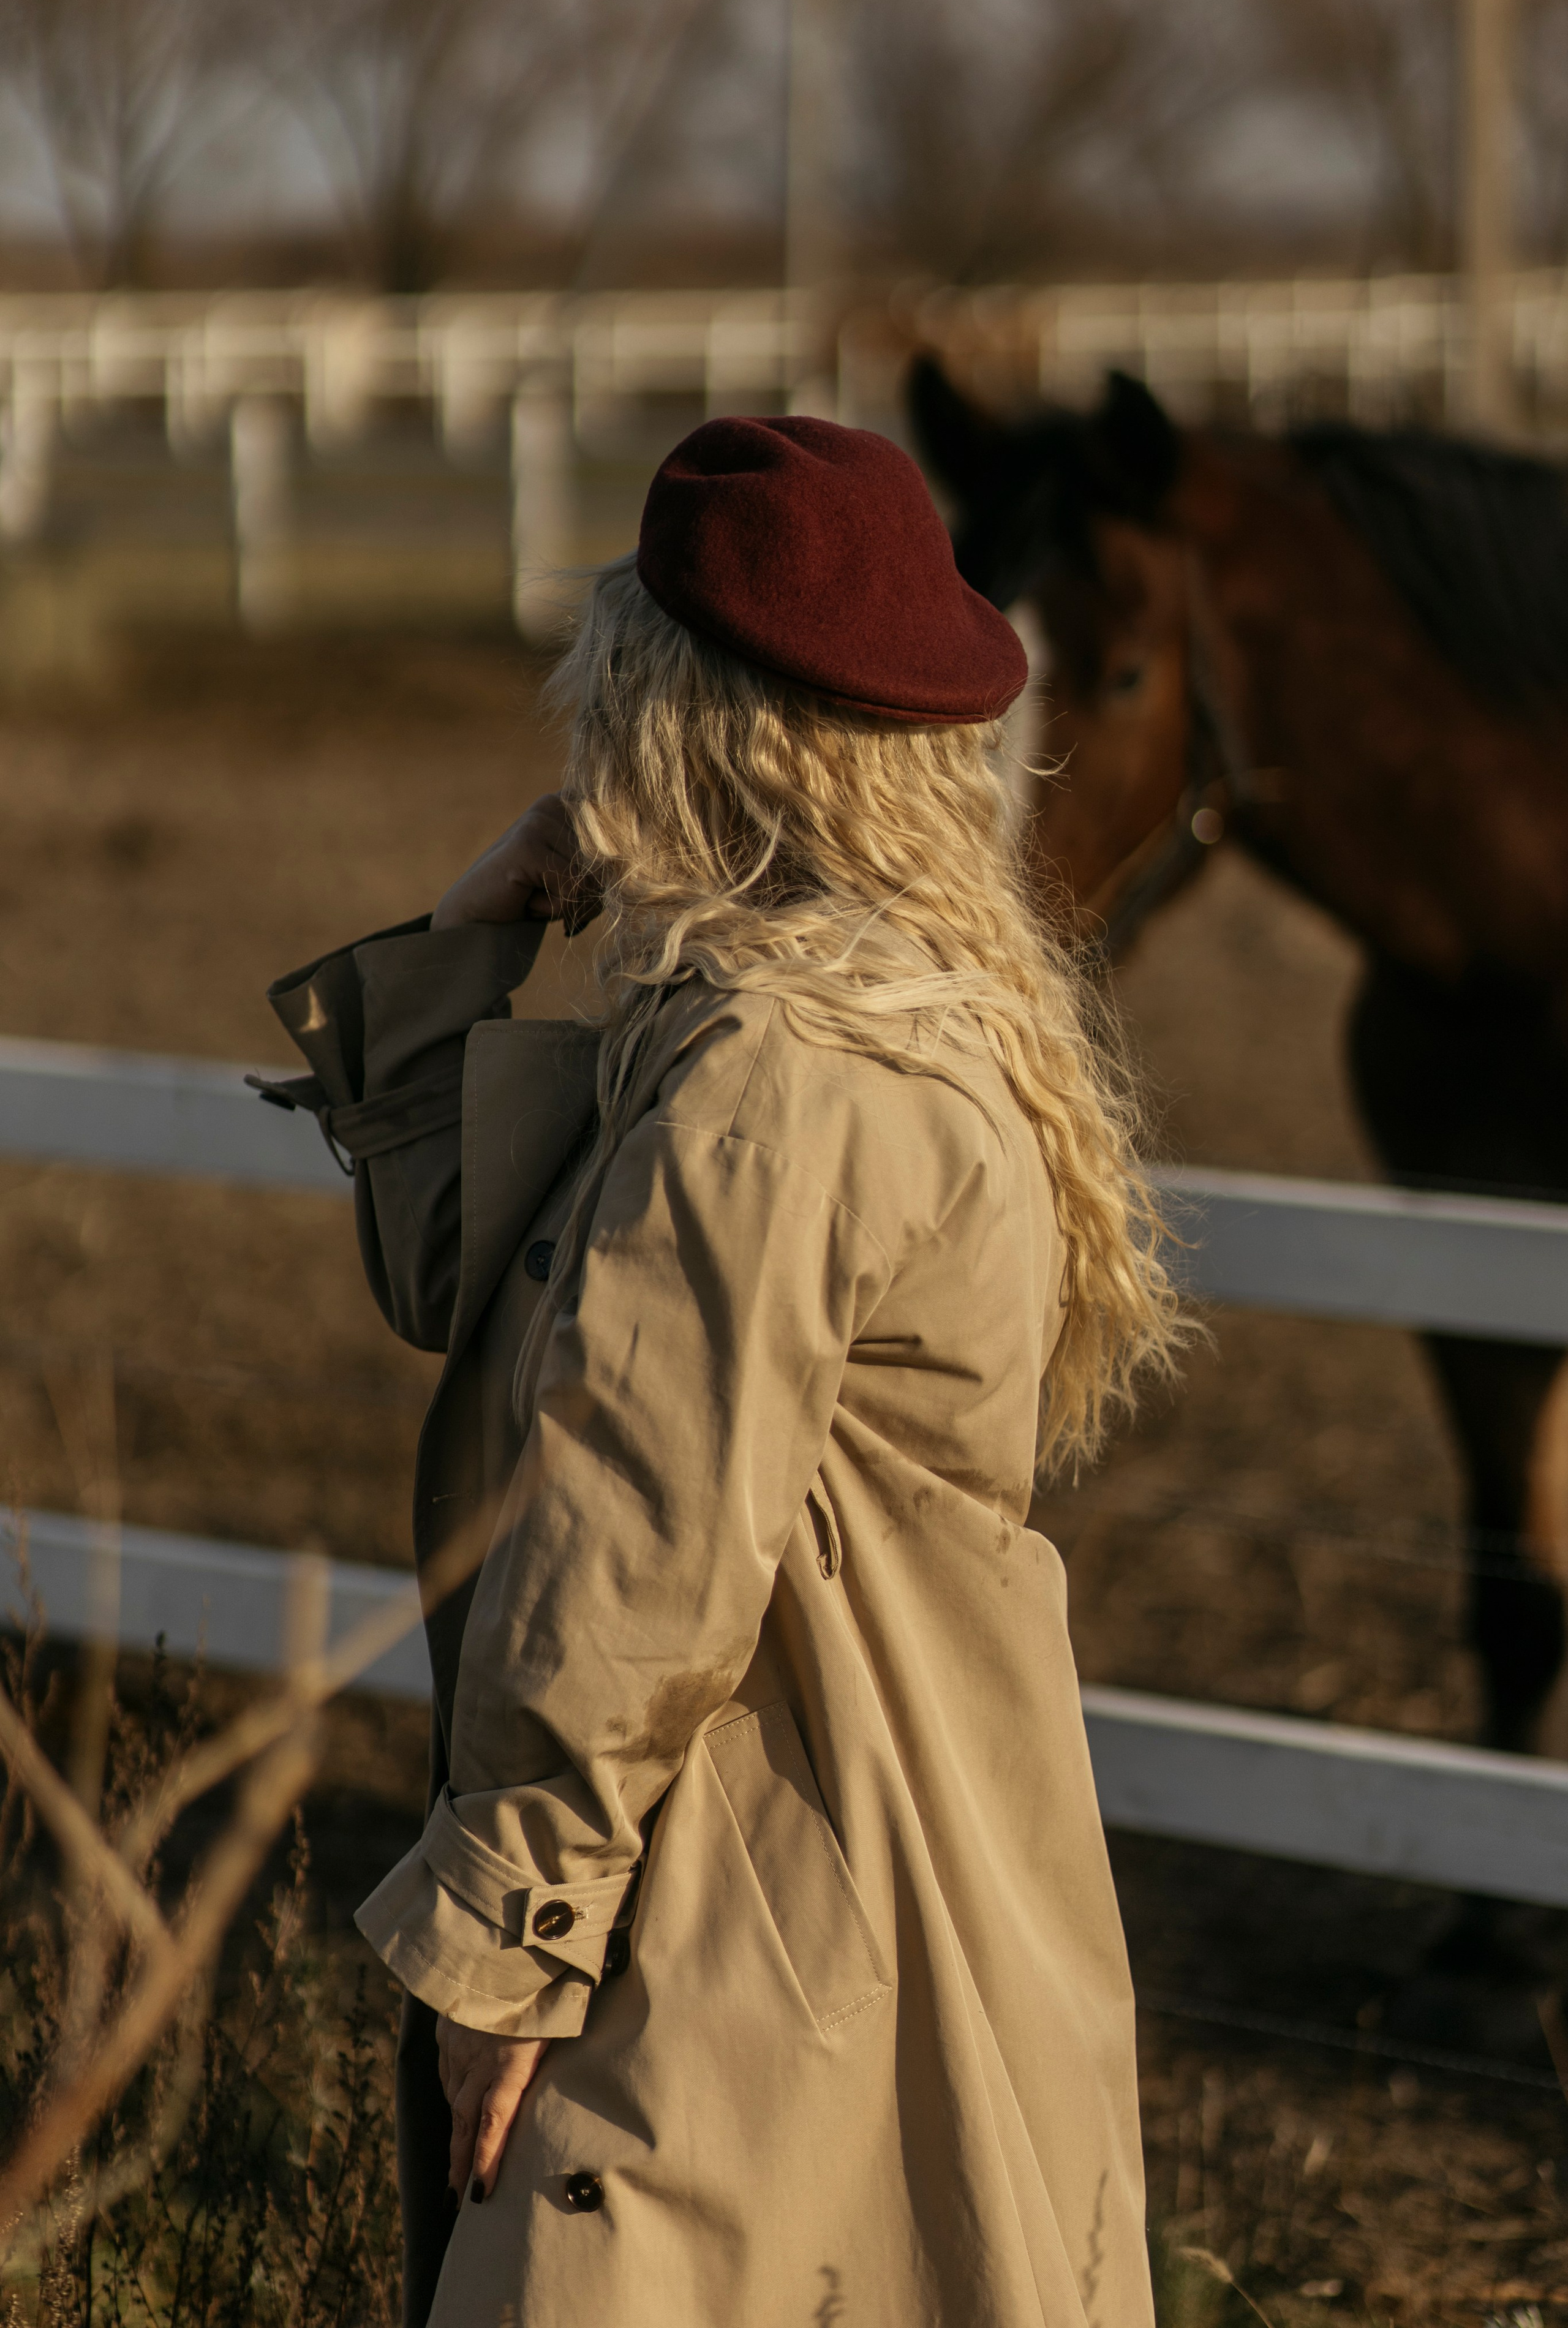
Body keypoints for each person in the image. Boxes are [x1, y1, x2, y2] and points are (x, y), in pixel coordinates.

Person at [260, 415, 1181, 2328]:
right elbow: (474, 1279)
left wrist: (506, 1948)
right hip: (887, 1870)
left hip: (738, 1919)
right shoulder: (864, 1008)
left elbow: (632, 1541)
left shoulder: (778, 1075)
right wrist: (463, 943)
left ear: (680, 719)